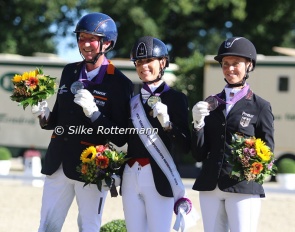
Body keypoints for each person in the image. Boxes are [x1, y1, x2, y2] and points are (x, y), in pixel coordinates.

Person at [31, 12, 133, 232]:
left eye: (91, 39)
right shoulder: (69, 71)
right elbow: (56, 120)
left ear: (107, 43)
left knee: (88, 227)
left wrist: (94, 113)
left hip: (90, 167)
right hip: (57, 163)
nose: (85, 44)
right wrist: (43, 114)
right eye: (81, 38)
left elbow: (120, 135)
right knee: (46, 226)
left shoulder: (120, 83)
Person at [191, 37, 274, 232]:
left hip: (243, 187)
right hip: (210, 186)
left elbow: (268, 152)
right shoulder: (211, 103)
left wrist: (249, 162)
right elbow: (199, 154)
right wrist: (197, 124)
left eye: (236, 64)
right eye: (225, 64)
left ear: (249, 66)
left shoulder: (260, 106)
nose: (230, 69)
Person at [121, 36, 191, 232]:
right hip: (130, 176)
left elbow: (185, 146)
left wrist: (167, 124)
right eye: (139, 62)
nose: (143, 66)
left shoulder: (177, 99)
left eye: (148, 61)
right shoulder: (132, 101)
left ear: (162, 63)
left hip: (160, 175)